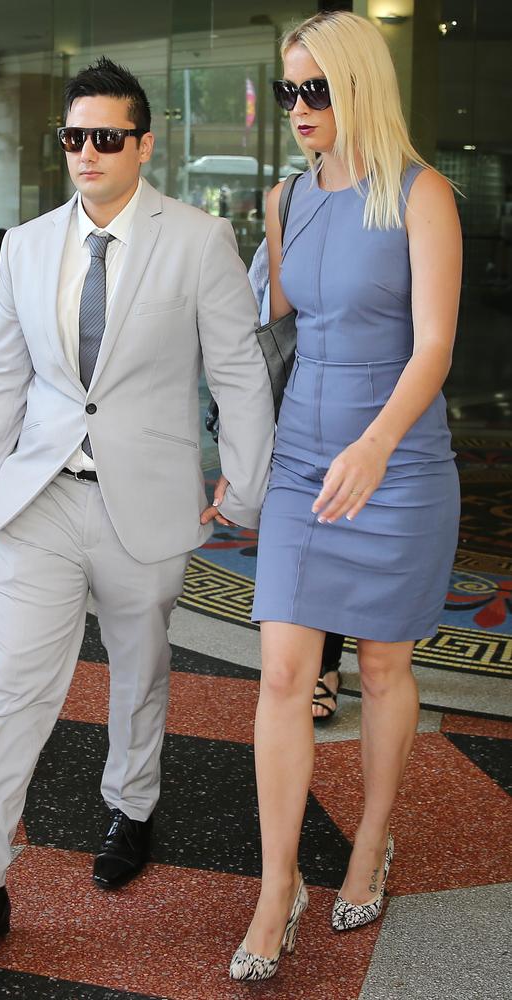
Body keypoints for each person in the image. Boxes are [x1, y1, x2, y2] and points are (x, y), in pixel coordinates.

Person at [0, 56, 274, 960]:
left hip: (145, 504)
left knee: (138, 675)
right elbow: (1, 378)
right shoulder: (28, 244)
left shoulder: (196, 240)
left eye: (107, 137)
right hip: (40, 501)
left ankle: (132, 808)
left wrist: (247, 478)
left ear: (144, 144)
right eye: (75, 137)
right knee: (13, 691)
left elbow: (236, 368)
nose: (87, 153)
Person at [230, 10, 461, 982]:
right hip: (300, 457)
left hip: (395, 459)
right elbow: (271, 312)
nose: (297, 108)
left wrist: (373, 444)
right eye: (287, 90)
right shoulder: (288, 197)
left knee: (377, 670)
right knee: (282, 673)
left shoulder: (421, 193)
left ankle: (370, 839)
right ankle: (275, 884)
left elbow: (436, 346)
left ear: (359, 86)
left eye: (315, 88)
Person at [209, 234, 345, 721]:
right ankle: (312, 667)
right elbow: (257, 349)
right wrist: (239, 454)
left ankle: (327, 665)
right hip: (292, 410)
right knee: (298, 548)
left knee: (337, 539)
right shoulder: (286, 215)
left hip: (358, 409)